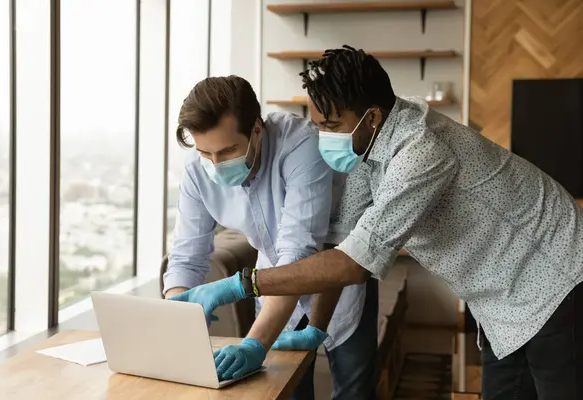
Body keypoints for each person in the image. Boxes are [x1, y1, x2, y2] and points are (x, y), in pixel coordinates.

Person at [171, 46, 583, 400]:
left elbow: (355, 263)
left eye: (330, 126)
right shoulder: (367, 152)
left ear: (370, 118)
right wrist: (316, 327)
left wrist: (242, 284)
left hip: (556, 279)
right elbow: (340, 243)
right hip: (500, 305)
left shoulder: (420, 151)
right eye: (316, 123)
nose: (320, 135)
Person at [164, 75, 378, 400]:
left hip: (337, 283)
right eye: (206, 153)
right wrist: (177, 312)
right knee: (284, 393)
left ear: (257, 130)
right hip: (272, 289)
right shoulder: (197, 168)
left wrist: (254, 344)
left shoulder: (301, 144)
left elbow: (298, 253)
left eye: (228, 151)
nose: (216, 165)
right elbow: (185, 256)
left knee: (354, 392)